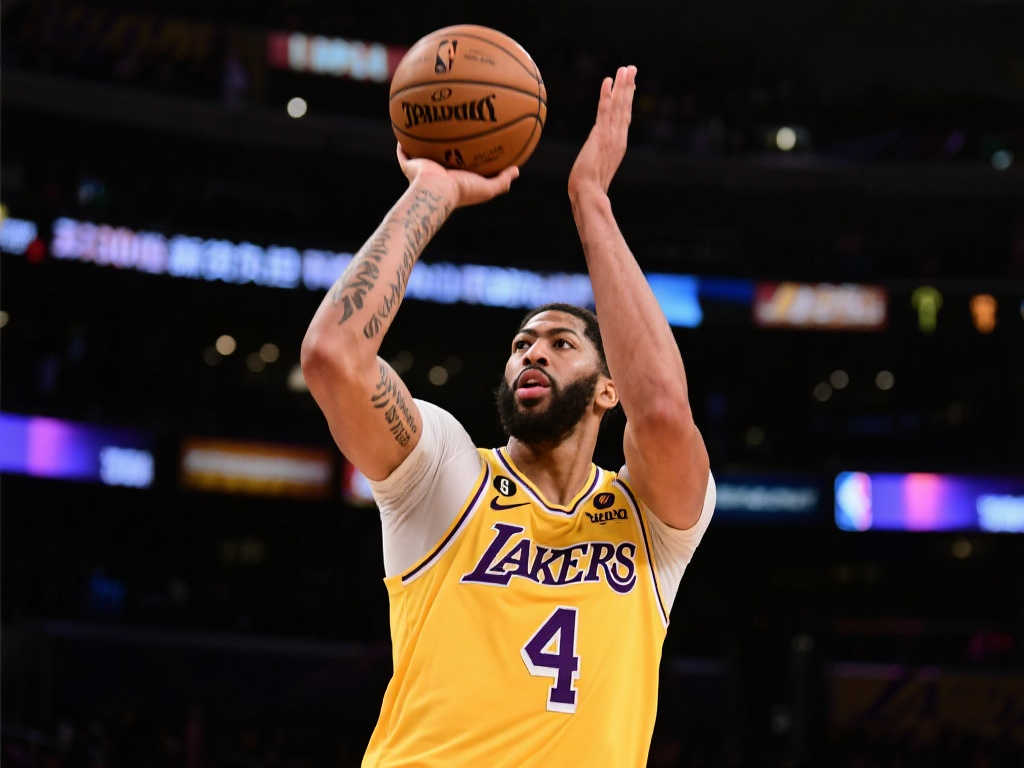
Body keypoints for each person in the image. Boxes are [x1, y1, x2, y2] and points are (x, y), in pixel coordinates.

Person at [301, 65, 715, 767]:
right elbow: (333, 358)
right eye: (521, 345)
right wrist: (430, 194)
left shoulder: (651, 522)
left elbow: (665, 412)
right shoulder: (446, 477)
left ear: (608, 390)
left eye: (561, 344)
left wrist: (591, 201)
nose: (533, 353)